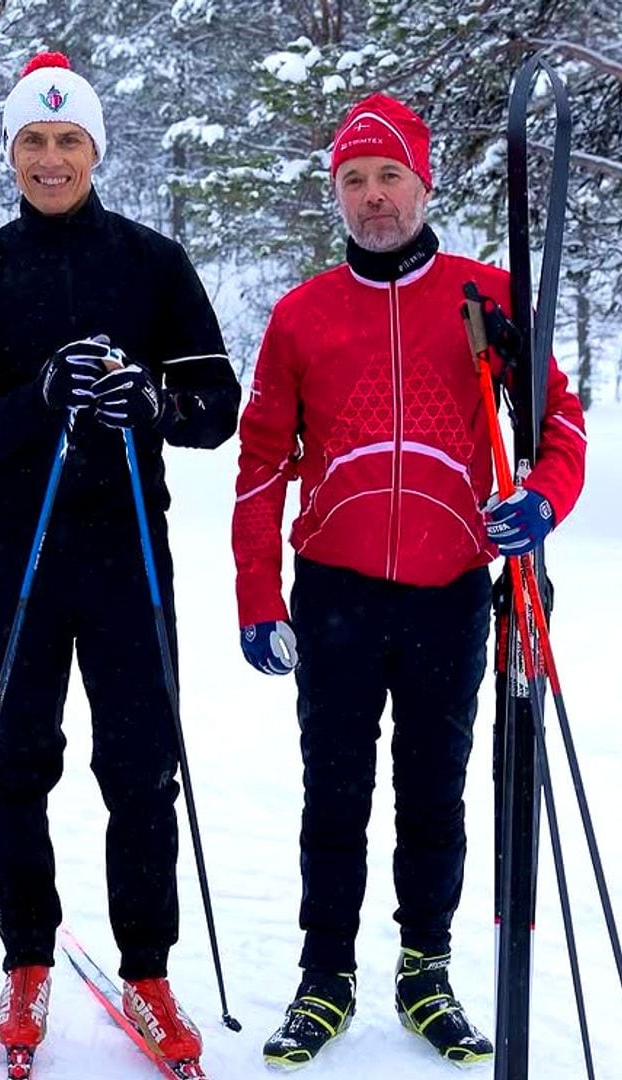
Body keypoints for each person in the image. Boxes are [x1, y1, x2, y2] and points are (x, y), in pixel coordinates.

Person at [232, 94, 586, 1069]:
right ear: (336, 193)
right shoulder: (303, 315)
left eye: (390, 175)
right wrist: (257, 595)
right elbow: (262, 462)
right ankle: (325, 976)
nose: (373, 196)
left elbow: (560, 427)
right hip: (336, 593)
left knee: (435, 793)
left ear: (424, 183)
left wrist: (544, 501)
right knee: (333, 796)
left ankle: (425, 970)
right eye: (354, 179)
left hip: (452, 591)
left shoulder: (486, 298)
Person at [0, 51, 240, 1071]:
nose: (50, 159)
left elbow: (215, 407)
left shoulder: (152, 263)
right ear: (10, 154)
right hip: (14, 554)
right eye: (32, 141)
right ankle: (26, 962)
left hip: (125, 552)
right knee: (18, 758)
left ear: (95, 149)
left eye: (68, 141)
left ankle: (147, 975)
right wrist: (42, 397)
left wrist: (148, 400)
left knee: (142, 764)